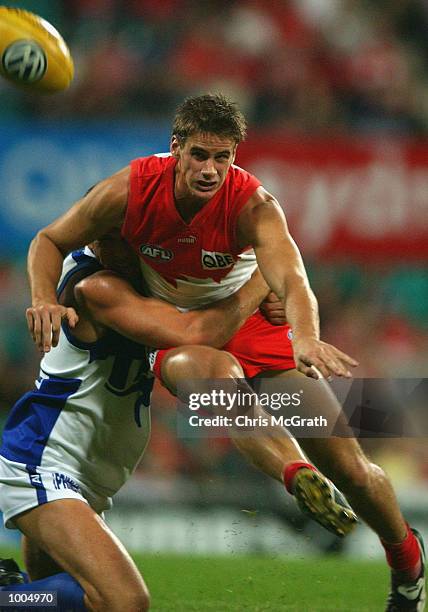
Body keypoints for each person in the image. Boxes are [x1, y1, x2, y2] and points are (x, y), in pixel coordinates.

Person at [25, 94, 425, 610]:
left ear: (236, 156)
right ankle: (294, 474)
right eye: (199, 155)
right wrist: (40, 298)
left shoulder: (254, 205)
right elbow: (50, 238)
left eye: (223, 158)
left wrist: (303, 335)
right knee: (208, 380)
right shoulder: (131, 187)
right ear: (176, 149)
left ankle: (406, 558)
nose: (210, 170)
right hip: (183, 329)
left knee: (349, 466)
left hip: (253, 329)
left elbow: (296, 280)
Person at [0, 245, 357, 611]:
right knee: (124, 601)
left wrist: (271, 301)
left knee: (44, 597)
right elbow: (199, 332)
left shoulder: (148, 288)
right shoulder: (97, 287)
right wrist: (263, 277)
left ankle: (13, 595)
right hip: (45, 462)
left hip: (85, 473)